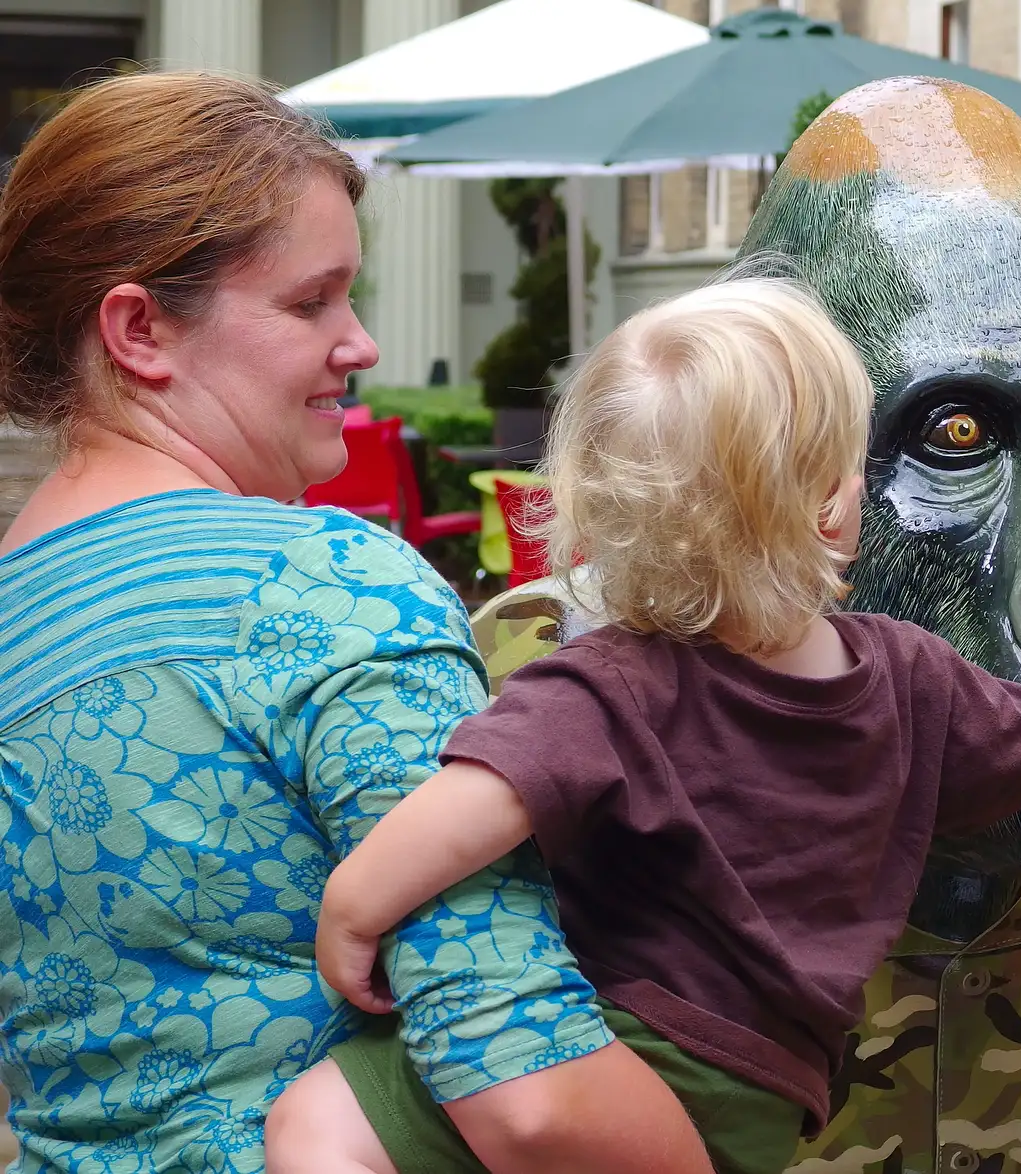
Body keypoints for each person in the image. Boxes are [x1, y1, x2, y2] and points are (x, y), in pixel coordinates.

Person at [267, 277, 1021, 1174]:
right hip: (762, 1101)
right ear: (830, 507)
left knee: (317, 1123)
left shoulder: (603, 689)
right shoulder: (909, 676)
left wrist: (353, 910)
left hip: (616, 1047)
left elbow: (473, 806)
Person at [0, 71, 709, 1174]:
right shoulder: (328, 588)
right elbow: (527, 1089)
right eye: (309, 301)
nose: (363, 344)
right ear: (140, 329)